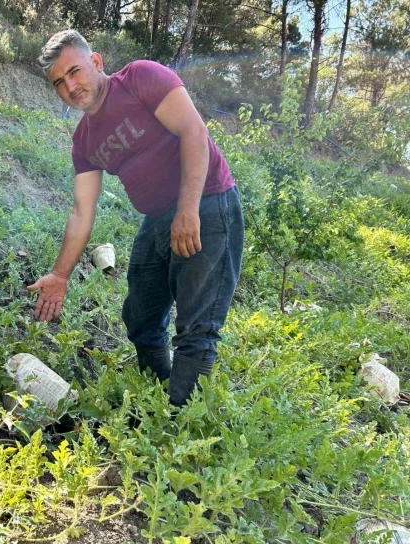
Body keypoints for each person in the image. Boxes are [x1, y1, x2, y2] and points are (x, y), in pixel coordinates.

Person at [26, 30, 244, 407]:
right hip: (157, 218)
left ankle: (179, 429)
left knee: (196, 328)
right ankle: (157, 399)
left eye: (75, 71)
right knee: (141, 318)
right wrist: (60, 275)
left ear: (96, 62)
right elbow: (82, 211)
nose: (71, 86)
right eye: (59, 83)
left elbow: (194, 130)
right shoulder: (84, 141)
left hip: (207, 202)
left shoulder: (142, 78)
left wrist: (188, 209)